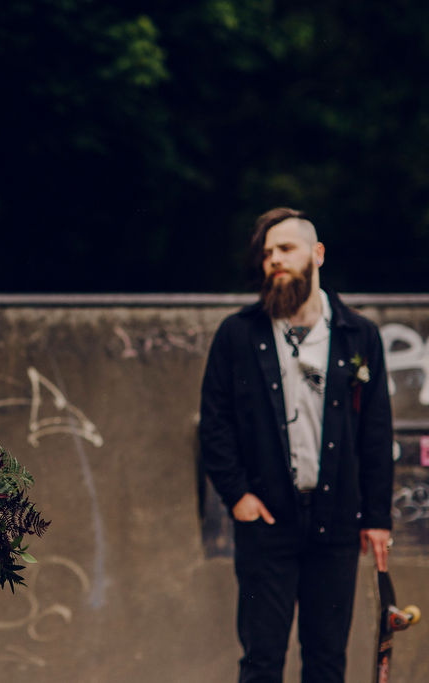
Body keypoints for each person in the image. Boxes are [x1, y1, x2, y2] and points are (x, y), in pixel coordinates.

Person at [199, 207, 394, 683]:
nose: (274, 260)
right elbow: (215, 423)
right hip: (267, 521)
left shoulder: (358, 336)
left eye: (285, 249)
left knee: (327, 661)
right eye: (267, 253)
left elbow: (376, 430)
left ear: (317, 254)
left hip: (337, 523)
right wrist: (238, 496)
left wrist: (378, 517)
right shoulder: (239, 335)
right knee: (262, 660)